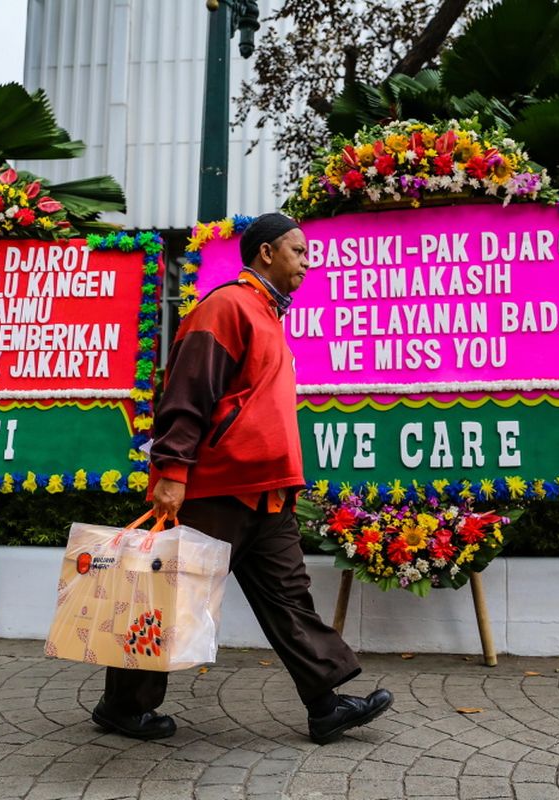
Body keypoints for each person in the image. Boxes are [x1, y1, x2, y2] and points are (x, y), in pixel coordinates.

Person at [92, 213, 393, 745]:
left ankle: (325, 706)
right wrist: (173, 471)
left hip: (268, 493)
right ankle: (122, 707)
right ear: (266, 254)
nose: (308, 260)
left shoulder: (269, 315)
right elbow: (185, 397)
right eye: (298, 250)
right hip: (214, 488)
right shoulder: (226, 306)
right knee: (170, 598)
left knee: (289, 597)